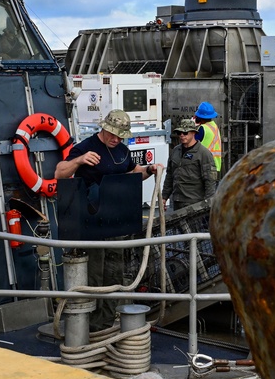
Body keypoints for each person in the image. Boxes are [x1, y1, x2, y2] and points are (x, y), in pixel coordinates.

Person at [55, 109, 161, 329]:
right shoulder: (85, 147)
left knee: (114, 272)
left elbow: (135, 172)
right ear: (104, 128)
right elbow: (60, 172)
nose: (116, 139)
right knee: (95, 272)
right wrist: (80, 161)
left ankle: (107, 320)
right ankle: (90, 324)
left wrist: (150, 170)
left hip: (116, 220)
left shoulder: (122, 150)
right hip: (91, 222)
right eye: (113, 134)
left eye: (121, 136)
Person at [162, 118, 217, 211]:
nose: (182, 135)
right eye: (179, 133)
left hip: (195, 203)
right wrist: (164, 197)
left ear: (193, 133)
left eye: (185, 133)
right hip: (177, 201)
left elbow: (210, 181)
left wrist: (208, 204)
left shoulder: (203, 153)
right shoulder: (176, 151)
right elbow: (170, 176)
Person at [193, 101, 222, 172]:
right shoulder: (214, 126)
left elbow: (191, 142)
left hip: (205, 165)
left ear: (200, 117)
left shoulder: (203, 128)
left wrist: (192, 126)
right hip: (215, 165)